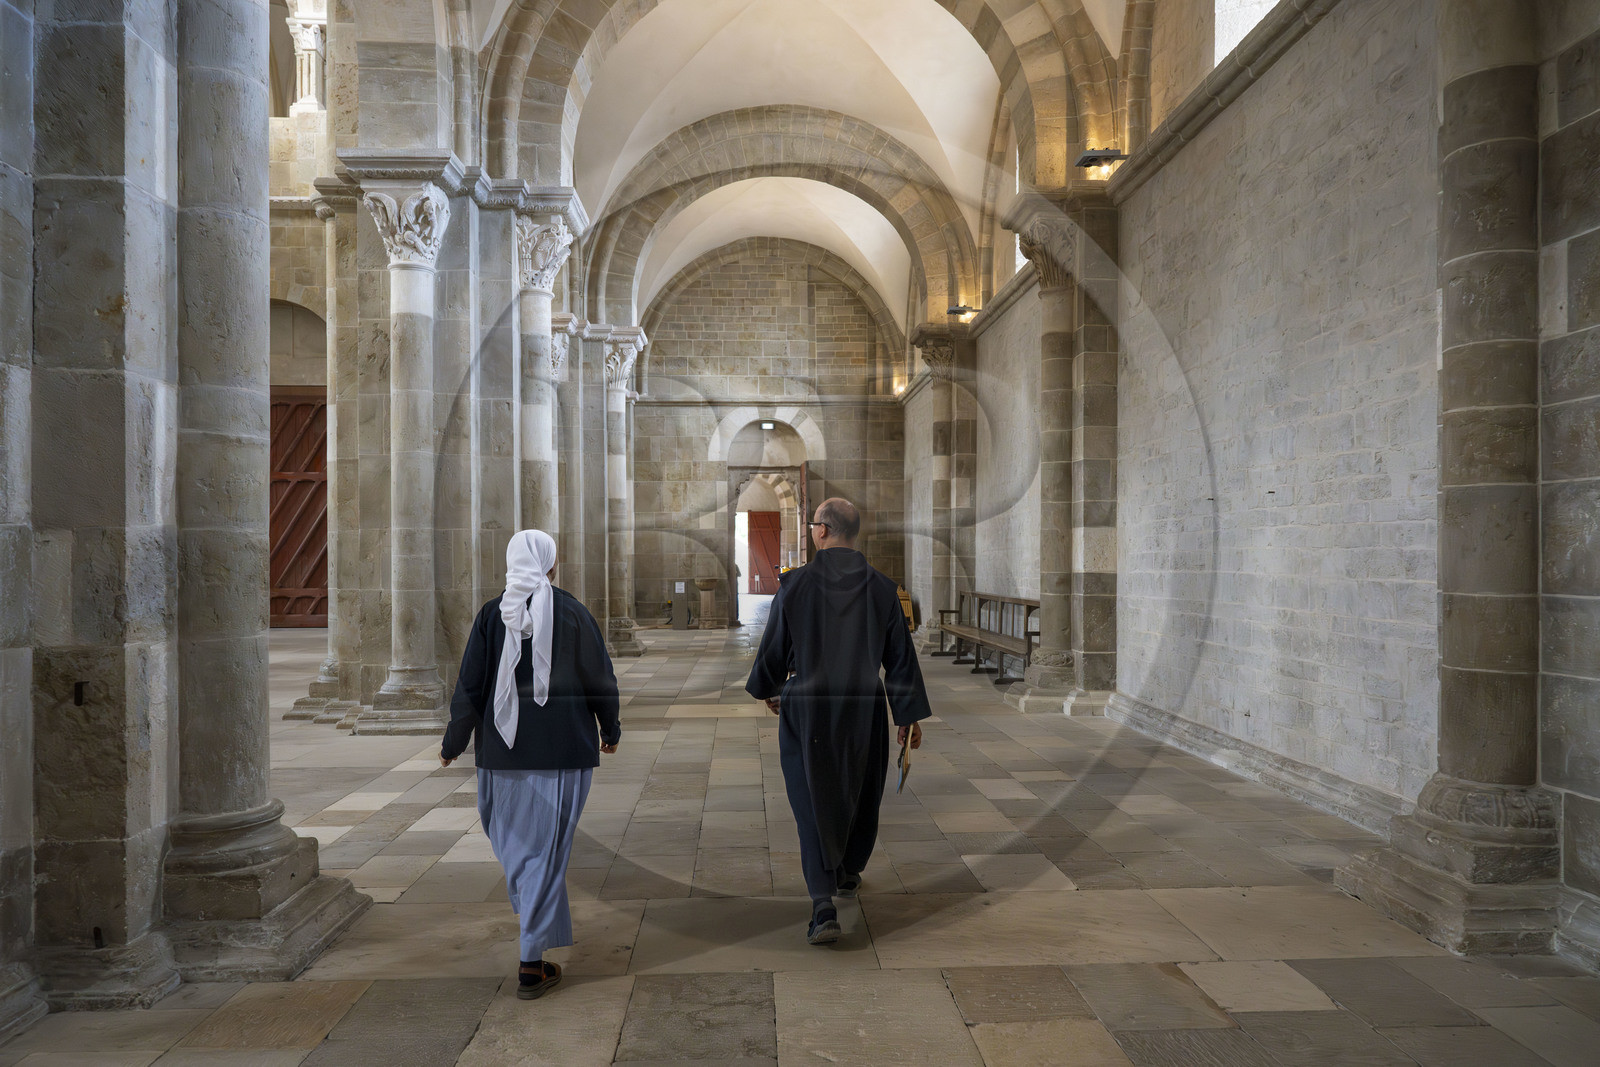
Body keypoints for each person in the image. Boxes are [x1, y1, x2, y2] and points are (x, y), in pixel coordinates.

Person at [441, 529, 621, 999]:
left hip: (502, 754)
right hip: (563, 752)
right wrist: (610, 728)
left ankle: (531, 960)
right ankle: (535, 943)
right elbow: (600, 678)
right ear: (550, 564)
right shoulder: (572, 612)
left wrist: (454, 741)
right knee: (540, 854)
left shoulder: (491, 614)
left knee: (524, 851)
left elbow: (470, 684)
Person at [745, 497, 932, 944]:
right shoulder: (884, 589)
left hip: (809, 706)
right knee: (861, 789)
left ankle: (823, 905)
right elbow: (900, 658)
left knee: (811, 797)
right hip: (865, 705)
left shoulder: (795, 586)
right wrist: (907, 716)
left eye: (813, 525)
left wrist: (772, 687)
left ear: (823, 530)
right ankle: (847, 871)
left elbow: (773, 651)